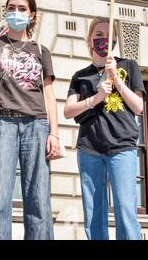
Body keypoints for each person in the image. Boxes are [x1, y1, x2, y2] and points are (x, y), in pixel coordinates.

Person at [0, 0, 60, 240]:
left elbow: (49, 95)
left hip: (36, 125)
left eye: (21, 8)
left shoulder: (41, 50)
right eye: (11, 8)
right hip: (2, 123)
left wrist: (54, 133)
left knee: (38, 198)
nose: (15, 12)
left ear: (31, 15)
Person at [64, 17, 145, 240]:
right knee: (94, 213)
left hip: (122, 148)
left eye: (107, 36)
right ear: (90, 40)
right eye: (98, 35)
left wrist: (116, 79)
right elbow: (69, 110)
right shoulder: (80, 76)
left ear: (115, 41)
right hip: (90, 149)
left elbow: (138, 107)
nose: (102, 40)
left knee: (125, 209)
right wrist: (96, 97)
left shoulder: (129, 66)